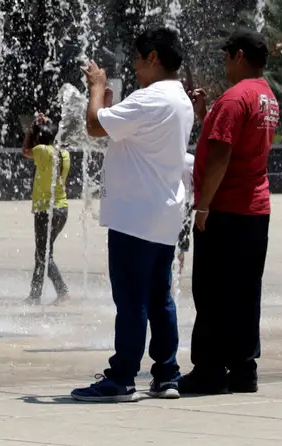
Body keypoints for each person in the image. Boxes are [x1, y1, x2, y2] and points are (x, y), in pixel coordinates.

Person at [73, 27, 193, 402]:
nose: (137, 68)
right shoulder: (180, 99)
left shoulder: (151, 98)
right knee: (160, 299)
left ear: (154, 58)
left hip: (134, 216)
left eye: (139, 60)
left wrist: (96, 88)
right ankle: (167, 373)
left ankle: (122, 377)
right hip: (164, 213)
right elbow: (120, 131)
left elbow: (94, 127)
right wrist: (107, 105)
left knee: (131, 300)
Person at [180, 29, 279, 395]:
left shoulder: (235, 98)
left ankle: (207, 370)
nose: (223, 63)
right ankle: (243, 369)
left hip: (226, 207)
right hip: (256, 208)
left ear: (239, 56)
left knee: (210, 291)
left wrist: (203, 205)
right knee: (244, 290)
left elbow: (221, 155)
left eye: (225, 57)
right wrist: (207, 115)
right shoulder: (267, 96)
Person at [21, 113, 71, 305]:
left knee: (43, 254)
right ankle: (35, 295)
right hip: (62, 210)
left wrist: (32, 127)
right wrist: (48, 126)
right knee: (42, 252)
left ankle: (62, 292)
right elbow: (54, 140)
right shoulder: (63, 154)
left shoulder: (42, 151)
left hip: (46, 211)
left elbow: (25, 150)